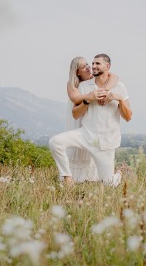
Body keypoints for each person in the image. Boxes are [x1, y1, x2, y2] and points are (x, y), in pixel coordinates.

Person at [49, 53, 132, 186]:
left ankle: (119, 173)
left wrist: (120, 99)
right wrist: (89, 99)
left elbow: (128, 117)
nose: (93, 66)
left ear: (107, 66)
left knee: (109, 184)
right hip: (85, 135)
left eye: (97, 64)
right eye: (92, 63)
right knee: (55, 142)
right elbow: (75, 114)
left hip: (106, 143)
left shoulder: (119, 87)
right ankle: (67, 177)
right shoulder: (84, 87)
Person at [65, 57, 118, 182]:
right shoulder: (73, 83)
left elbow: (115, 77)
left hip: (91, 113)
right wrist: (92, 96)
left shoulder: (94, 79)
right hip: (78, 113)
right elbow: (75, 99)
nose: (89, 67)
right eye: (84, 66)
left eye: (88, 64)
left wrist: (104, 90)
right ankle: (76, 177)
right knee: (78, 145)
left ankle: (92, 177)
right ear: (77, 72)